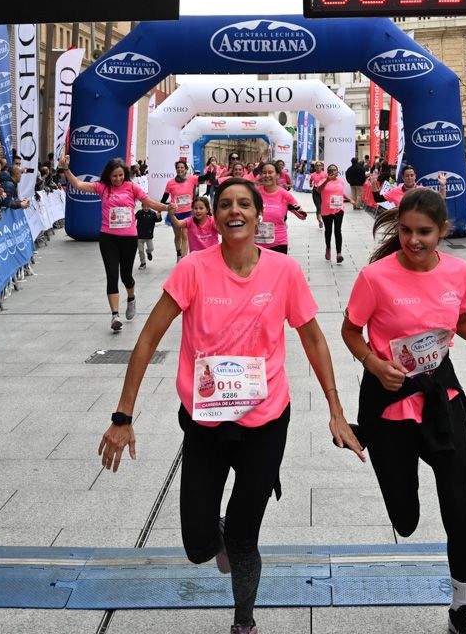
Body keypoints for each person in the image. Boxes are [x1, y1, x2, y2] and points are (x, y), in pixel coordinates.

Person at [98, 178, 364, 634]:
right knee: (199, 544)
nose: (234, 211)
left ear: (261, 214)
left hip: (266, 421)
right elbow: (147, 340)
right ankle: (215, 532)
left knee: (244, 537)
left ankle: (244, 622)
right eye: (225, 204)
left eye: (244, 204)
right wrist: (123, 416)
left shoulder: (284, 271)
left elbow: (315, 340)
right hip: (205, 423)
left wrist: (335, 410)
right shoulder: (193, 269)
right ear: (215, 215)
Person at [342, 188, 466, 634]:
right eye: (405, 231)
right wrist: (373, 363)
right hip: (388, 397)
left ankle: (463, 608)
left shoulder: (458, 271)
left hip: (442, 397)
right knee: (405, 520)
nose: (413, 240)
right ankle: (380, 455)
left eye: (424, 232)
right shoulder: (375, 277)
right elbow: (350, 330)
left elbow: (459, 320)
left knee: (458, 511)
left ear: (443, 231)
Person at [64, 159, 169, 331]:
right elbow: (78, 184)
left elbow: (149, 202)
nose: (118, 179)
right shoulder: (102, 187)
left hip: (129, 239)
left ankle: (131, 298)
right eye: (114, 176)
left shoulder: (131, 187)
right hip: (108, 238)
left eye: (120, 175)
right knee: (112, 275)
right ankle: (114, 316)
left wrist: (166, 208)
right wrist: (65, 169)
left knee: (126, 275)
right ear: (108, 175)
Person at [254, 162, 308, 254]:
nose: (267, 175)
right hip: (256, 244)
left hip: (278, 243)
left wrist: (298, 210)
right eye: (264, 172)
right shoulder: (255, 193)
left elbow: (302, 216)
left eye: (270, 172)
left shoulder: (285, 195)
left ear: (277, 175)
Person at [315, 162, 353, 264]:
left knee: (337, 231)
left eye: (334, 169)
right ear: (327, 172)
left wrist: (350, 199)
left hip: (338, 209)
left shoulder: (341, 182)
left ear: (337, 172)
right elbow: (318, 190)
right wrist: (327, 180)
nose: (332, 171)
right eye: (330, 170)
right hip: (326, 210)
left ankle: (339, 254)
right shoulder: (323, 180)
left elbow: (342, 193)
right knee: (328, 231)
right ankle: (328, 248)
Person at [164, 159, 200, 258]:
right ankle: (178, 253)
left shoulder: (192, 179)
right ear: (176, 169)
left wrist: (211, 170)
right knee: (178, 236)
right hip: (175, 213)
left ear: (186, 169)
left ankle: (184, 258)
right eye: (178, 168)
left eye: (182, 167)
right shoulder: (170, 183)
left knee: (185, 235)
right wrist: (159, 209)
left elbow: (205, 178)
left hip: (188, 212)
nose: (180, 169)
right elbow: (164, 198)